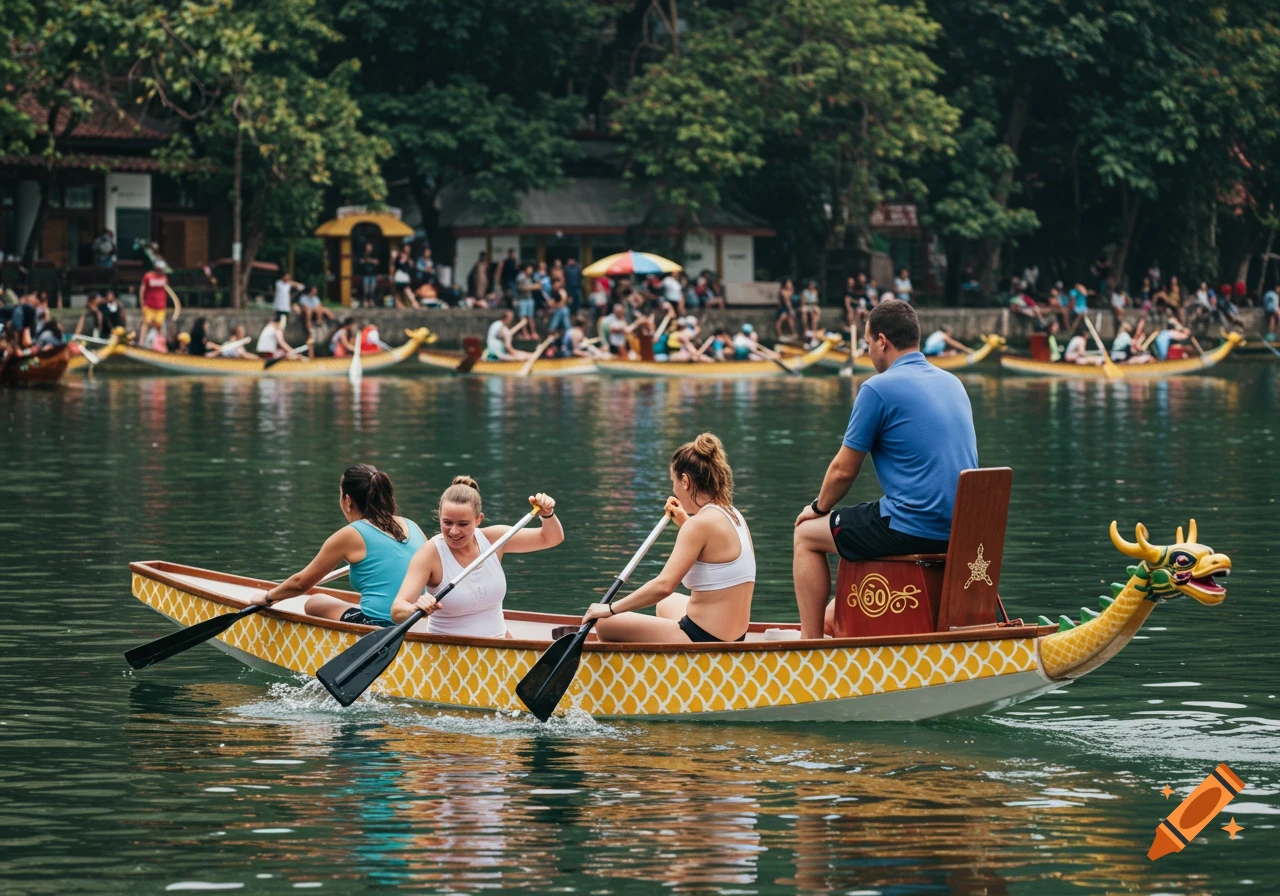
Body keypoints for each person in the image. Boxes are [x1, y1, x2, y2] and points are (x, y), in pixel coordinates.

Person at [791, 300, 977, 639]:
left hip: (913, 526)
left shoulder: (877, 388)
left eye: (866, 345)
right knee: (858, 522)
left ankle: (809, 643)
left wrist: (816, 509)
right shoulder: (953, 383)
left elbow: (843, 472)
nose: (867, 353)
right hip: (963, 530)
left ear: (882, 341)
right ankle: (844, 618)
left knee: (806, 535)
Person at [586, 434, 753, 643]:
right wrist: (684, 520)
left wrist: (610, 609)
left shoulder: (698, 525)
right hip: (735, 636)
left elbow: (663, 586)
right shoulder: (733, 514)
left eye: (673, 481)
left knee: (604, 624)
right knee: (666, 604)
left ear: (685, 481)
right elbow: (713, 553)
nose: (673, 488)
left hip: (704, 639)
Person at [247, 466, 426, 627]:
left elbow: (300, 584)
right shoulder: (411, 525)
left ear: (347, 501)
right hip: (421, 618)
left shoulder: (350, 534)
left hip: (381, 624)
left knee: (315, 602)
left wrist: (268, 597)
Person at [390, 477, 562, 637]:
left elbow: (551, 538)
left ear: (479, 519)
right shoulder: (430, 554)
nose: (454, 531)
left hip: (499, 647)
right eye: (447, 522)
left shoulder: (495, 539)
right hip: (446, 653)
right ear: (439, 517)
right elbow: (397, 610)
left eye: (463, 524)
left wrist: (547, 514)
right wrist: (415, 608)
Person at [139, 264, 170, 347]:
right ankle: (141, 343)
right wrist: (142, 303)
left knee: (159, 325)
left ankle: (161, 344)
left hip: (161, 306)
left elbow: (166, 291)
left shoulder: (164, 278)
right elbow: (142, 289)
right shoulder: (148, 276)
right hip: (149, 305)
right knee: (146, 323)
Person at [358, 242, 379, 307]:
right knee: (366, 289)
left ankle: (371, 301)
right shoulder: (363, 254)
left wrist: (371, 261)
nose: (368, 248)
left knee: (372, 288)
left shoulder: (374, 254)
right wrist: (366, 261)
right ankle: (365, 301)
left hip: (373, 274)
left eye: (369, 247)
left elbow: (377, 262)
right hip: (365, 274)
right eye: (367, 247)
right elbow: (360, 261)